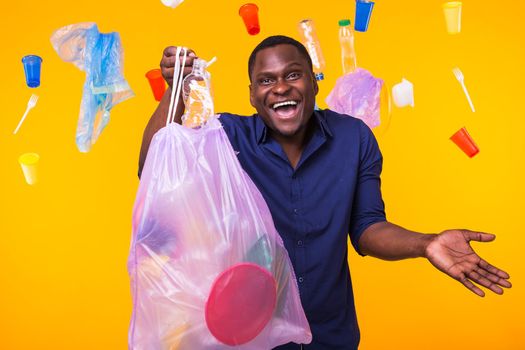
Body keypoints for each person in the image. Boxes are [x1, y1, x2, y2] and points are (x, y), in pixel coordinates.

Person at [138, 35, 511, 349]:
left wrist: (426, 243)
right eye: (266, 81)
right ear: (252, 95)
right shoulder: (227, 138)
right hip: (248, 337)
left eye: (293, 75)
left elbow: (367, 230)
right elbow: (154, 170)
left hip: (330, 336)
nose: (281, 87)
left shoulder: (354, 138)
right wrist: (176, 92)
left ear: (314, 83)